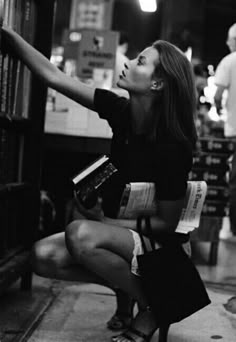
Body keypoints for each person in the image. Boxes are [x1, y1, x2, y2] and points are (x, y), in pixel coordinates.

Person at [1, 23, 198, 342]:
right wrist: (9, 35)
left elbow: (167, 223)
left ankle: (154, 306)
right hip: (125, 232)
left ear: (158, 83)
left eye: (141, 61)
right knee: (41, 256)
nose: (129, 62)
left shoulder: (172, 145)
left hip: (160, 247)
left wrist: (108, 222)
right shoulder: (120, 111)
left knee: (80, 234)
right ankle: (130, 292)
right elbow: (54, 76)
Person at [214, 23, 236, 236]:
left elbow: (218, 94)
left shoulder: (229, 61)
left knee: (235, 178)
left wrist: (220, 110)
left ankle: (234, 228)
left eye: (229, 39)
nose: (227, 43)